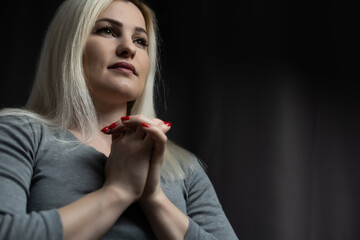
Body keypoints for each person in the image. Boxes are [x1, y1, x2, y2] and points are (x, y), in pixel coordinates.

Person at [0, 0, 238, 239]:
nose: (128, 48)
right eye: (108, 31)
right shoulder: (18, 134)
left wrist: (154, 198)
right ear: (70, 44)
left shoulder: (184, 168)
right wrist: (119, 191)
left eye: (140, 41)